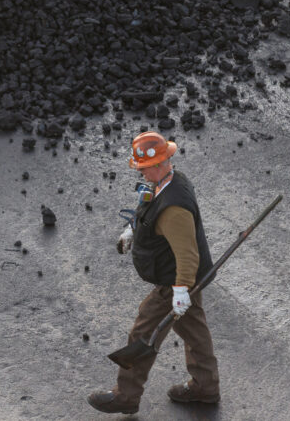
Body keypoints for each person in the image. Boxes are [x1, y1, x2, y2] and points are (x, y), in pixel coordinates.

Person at [88, 131, 220, 415]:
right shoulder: (168, 182)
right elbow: (148, 207)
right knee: (194, 331)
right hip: (183, 277)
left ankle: (126, 395)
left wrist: (181, 290)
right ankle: (206, 386)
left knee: (143, 332)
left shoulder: (173, 208)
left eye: (142, 167)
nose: (139, 171)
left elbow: (187, 253)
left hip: (174, 280)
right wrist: (133, 230)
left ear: (159, 163)